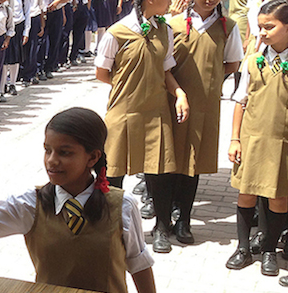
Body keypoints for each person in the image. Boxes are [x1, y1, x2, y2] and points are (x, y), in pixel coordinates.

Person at [0, 107, 155, 293]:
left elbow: (139, 265)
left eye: (64, 152)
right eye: (47, 150)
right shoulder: (31, 205)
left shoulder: (122, 206)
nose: (51, 160)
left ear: (92, 157)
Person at [94, 0, 190, 254]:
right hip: (122, 111)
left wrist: (179, 93)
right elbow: (102, 72)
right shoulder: (117, 32)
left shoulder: (165, 30)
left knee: (159, 172)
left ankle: (161, 227)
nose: (171, 2)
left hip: (156, 111)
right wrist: (130, 87)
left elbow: (166, 69)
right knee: (113, 172)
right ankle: (111, 227)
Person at [166, 0, 242, 246]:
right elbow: (163, 62)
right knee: (167, 155)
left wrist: (211, 79)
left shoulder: (227, 27)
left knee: (193, 160)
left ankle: (184, 219)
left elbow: (232, 63)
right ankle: (163, 215)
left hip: (204, 104)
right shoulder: (172, 23)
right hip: (170, 97)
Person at [227, 0, 288, 280]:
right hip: (251, 139)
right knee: (247, 193)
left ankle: (268, 249)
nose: (261, 33)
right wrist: (234, 139)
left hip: (281, 143)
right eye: (260, 27)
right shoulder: (253, 61)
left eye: (269, 27)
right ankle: (243, 248)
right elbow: (240, 100)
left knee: (277, 198)